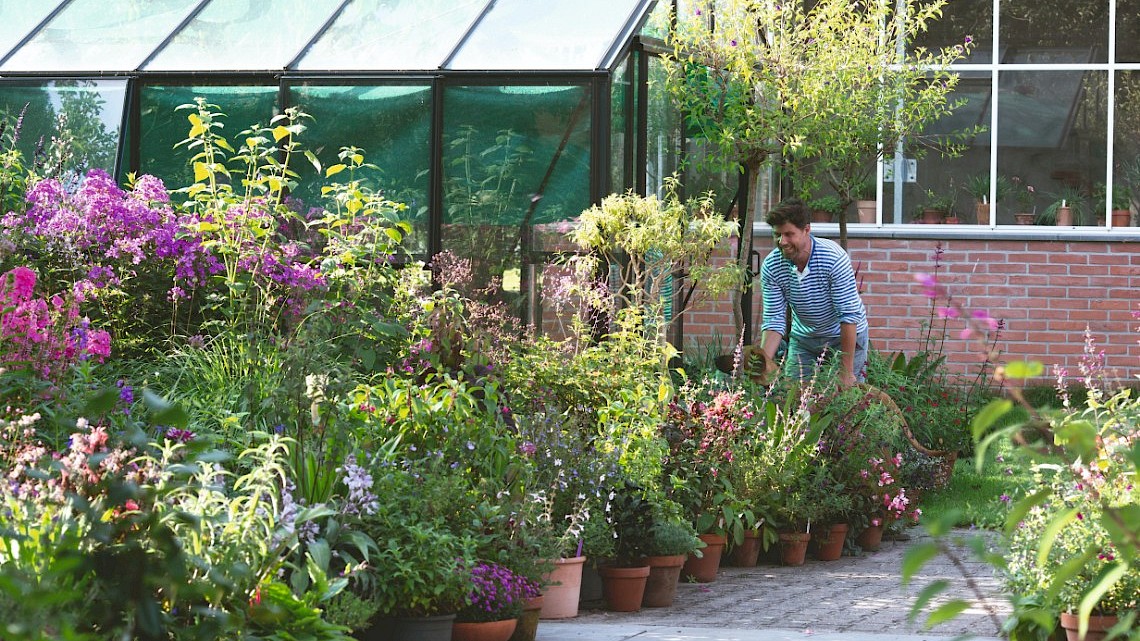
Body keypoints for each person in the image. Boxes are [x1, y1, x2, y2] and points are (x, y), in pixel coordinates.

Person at [757, 197, 868, 387]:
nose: (782, 241)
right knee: (790, 396)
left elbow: (848, 317)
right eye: (777, 235)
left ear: (806, 230)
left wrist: (846, 371)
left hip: (842, 337)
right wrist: (761, 366)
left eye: (788, 234)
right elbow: (774, 321)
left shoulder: (833, 258)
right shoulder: (772, 266)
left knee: (845, 400)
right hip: (804, 340)